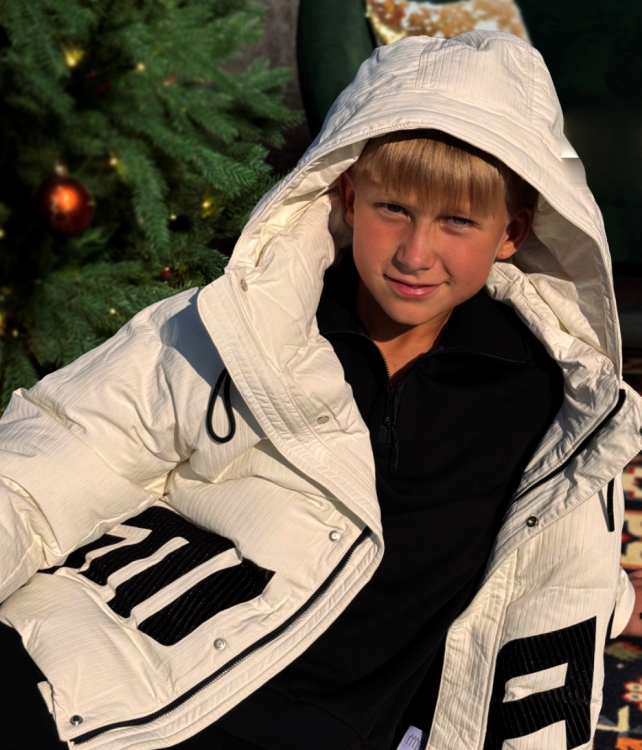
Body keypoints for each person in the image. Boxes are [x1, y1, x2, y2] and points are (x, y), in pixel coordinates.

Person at [0, 30, 641, 750]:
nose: (416, 253)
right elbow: (50, 460)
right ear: (349, 196)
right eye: (393, 209)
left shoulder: (548, 402)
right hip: (77, 678)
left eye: (457, 221)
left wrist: (612, 605)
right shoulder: (244, 326)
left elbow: (542, 564)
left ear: (511, 232)